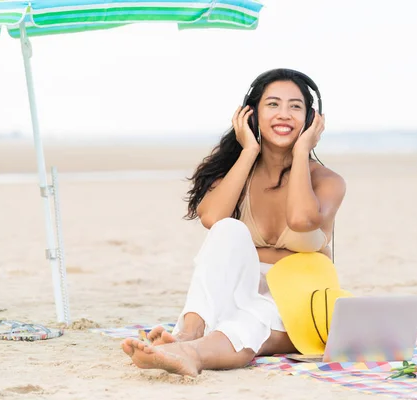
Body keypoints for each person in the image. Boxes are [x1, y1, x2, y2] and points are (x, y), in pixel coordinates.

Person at [121, 68, 347, 377]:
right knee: (228, 228)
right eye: (273, 105)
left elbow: (300, 219)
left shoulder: (328, 181)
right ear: (251, 114)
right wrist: (250, 150)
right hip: (237, 292)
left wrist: (302, 151)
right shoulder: (235, 173)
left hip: (299, 303)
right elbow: (213, 220)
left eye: (295, 106)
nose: (284, 114)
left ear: (310, 120)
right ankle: (188, 333)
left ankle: (192, 353)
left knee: (251, 321)